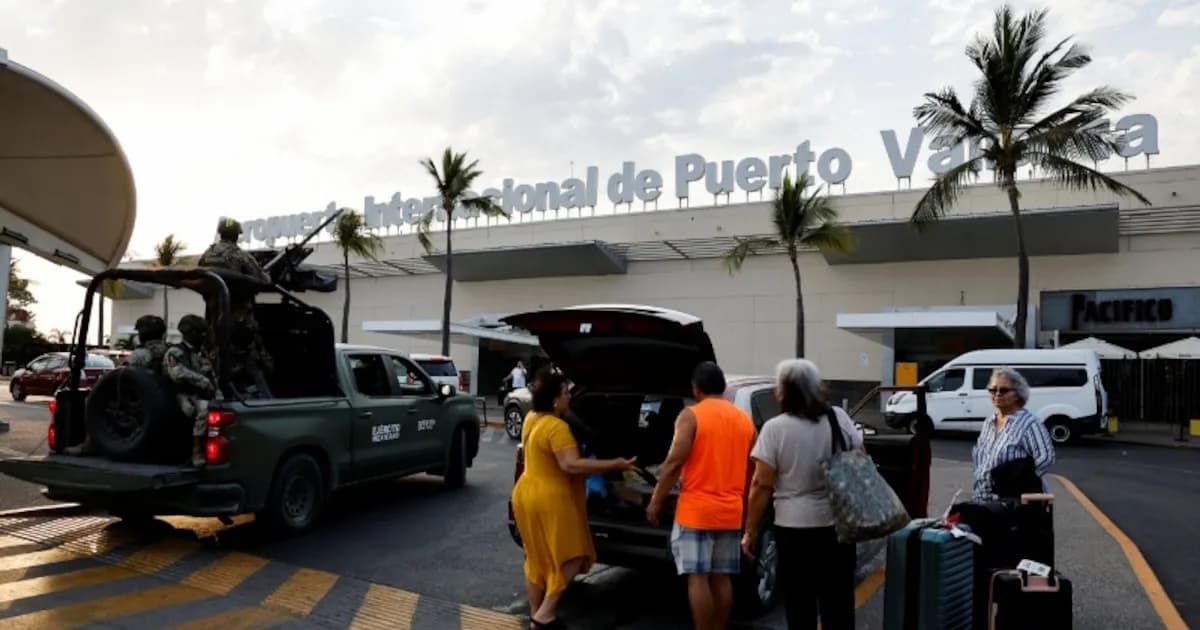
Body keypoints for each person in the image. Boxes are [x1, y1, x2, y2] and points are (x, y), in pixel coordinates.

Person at [511, 368, 636, 630]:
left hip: (525, 494)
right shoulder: (556, 429)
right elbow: (571, 465)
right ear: (555, 399)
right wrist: (615, 463)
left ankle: (536, 616)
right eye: (566, 393)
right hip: (550, 497)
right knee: (573, 555)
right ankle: (546, 612)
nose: (570, 397)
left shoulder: (533, 418)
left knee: (535, 558)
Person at [742, 358, 862, 630]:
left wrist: (750, 530)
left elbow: (761, 484)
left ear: (784, 391)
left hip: (793, 530)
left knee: (799, 604)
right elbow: (860, 461)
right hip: (838, 527)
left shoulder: (775, 429)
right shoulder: (838, 418)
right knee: (839, 603)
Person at [646, 361, 756, 630]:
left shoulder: (690, 416)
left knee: (698, 577)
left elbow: (673, 462)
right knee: (721, 577)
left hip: (696, 511)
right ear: (723, 387)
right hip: (731, 511)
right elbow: (753, 466)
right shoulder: (745, 421)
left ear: (696, 389)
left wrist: (655, 500)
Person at [197, 217, 273, 397]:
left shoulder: (207, 254)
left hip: (213, 317)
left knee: (216, 357)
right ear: (237, 235)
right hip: (237, 320)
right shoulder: (240, 256)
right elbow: (263, 281)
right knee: (252, 358)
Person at [972, 367, 1056, 501]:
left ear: (1017, 394)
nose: (997, 394)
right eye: (993, 390)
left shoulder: (1029, 423)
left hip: (1015, 502)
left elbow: (1046, 458)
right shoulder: (989, 422)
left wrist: (1015, 482)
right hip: (984, 499)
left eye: (1004, 390)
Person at [165, 314, 219, 467]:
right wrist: (204, 382)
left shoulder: (201, 352)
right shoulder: (175, 352)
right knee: (204, 410)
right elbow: (177, 373)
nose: (203, 336)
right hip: (182, 395)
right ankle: (197, 450)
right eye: (200, 333)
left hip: (201, 393)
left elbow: (211, 374)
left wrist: (217, 393)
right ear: (190, 333)